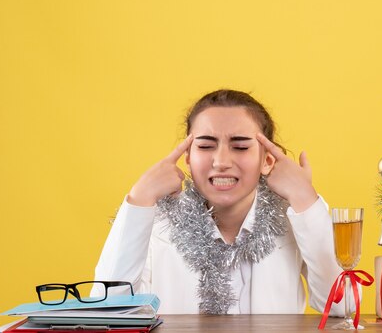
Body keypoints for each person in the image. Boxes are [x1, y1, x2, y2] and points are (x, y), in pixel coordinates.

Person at [91, 89, 348, 315]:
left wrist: (305, 198)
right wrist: (139, 199)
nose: (222, 161)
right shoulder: (157, 220)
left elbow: (343, 305)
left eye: (240, 146)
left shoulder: (295, 214)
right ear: (188, 158)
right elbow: (107, 308)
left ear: (267, 160)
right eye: (205, 146)